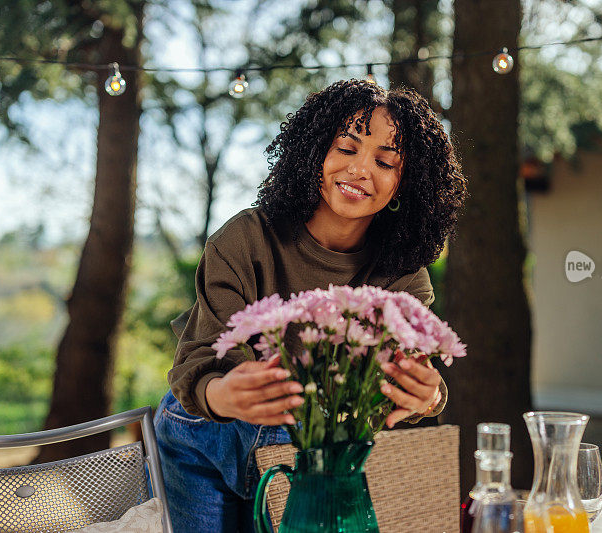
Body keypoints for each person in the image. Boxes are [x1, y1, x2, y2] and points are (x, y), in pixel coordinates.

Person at [153, 79, 467, 531]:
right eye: (346, 148)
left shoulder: (402, 274)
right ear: (315, 154)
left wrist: (429, 394)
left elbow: (406, 372)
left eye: (384, 161)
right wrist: (223, 393)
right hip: (203, 438)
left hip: (309, 449)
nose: (360, 169)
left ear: (404, 185)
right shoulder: (244, 240)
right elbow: (197, 360)